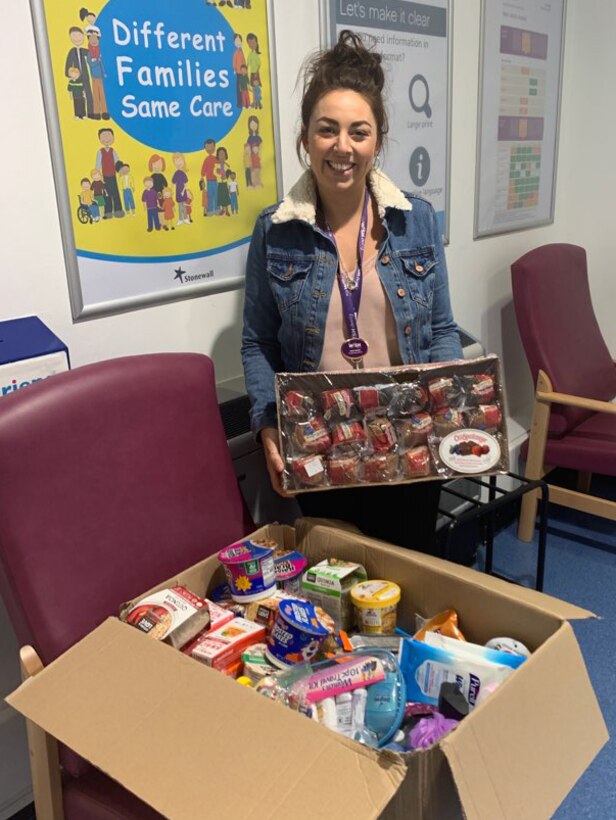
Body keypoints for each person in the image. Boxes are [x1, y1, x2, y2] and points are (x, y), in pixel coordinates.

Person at [241, 31, 462, 553]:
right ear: (306, 138)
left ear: (377, 141)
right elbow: (257, 343)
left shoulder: (417, 221)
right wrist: (268, 426)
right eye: (327, 130)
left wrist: (446, 407)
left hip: (408, 440)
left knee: (409, 578)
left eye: (358, 132)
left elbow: (442, 331)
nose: (343, 147)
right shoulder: (274, 231)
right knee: (336, 585)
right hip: (323, 445)